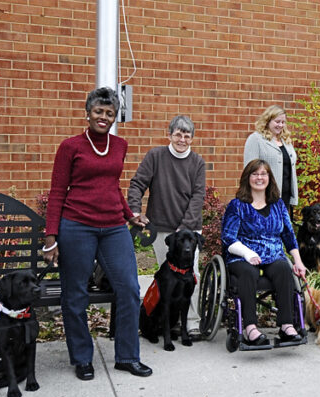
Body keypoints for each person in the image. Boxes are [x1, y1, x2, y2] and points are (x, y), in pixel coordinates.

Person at [43, 87, 152, 380]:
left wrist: (130, 215)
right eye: (98, 111)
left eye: (109, 113)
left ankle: (127, 356)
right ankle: (81, 357)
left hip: (114, 228)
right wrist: (51, 237)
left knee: (129, 289)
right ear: (88, 112)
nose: (103, 117)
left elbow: (112, 186)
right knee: (75, 294)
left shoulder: (120, 145)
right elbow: (56, 192)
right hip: (77, 227)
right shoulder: (70, 147)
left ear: (115, 116)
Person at [128, 115, 206, 336]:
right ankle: (165, 322)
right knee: (167, 278)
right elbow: (138, 183)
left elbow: (198, 196)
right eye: (178, 134)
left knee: (191, 276)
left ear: (192, 139)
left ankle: (191, 322)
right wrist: (134, 210)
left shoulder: (197, 163)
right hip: (161, 228)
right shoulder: (155, 156)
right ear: (169, 135)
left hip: (189, 231)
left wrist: (185, 228)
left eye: (187, 136)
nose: (182, 139)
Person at [221, 159, 307, 346]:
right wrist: (246, 253)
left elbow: (288, 234)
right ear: (247, 178)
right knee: (248, 272)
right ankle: (250, 327)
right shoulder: (237, 205)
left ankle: (286, 325)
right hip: (241, 255)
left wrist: (298, 261)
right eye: (255, 174)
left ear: (269, 178)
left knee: (284, 268)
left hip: (272, 254)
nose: (259, 178)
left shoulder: (278, 205)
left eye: (263, 174)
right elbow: (228, 237)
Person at [243, 105, 298, 212]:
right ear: (268, 121)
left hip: (285, 197)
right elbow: (249, 170)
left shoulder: (286, 141)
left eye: (283, 122)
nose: (281, 125)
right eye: (277, 122)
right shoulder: (256, 139)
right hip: (264, 197)